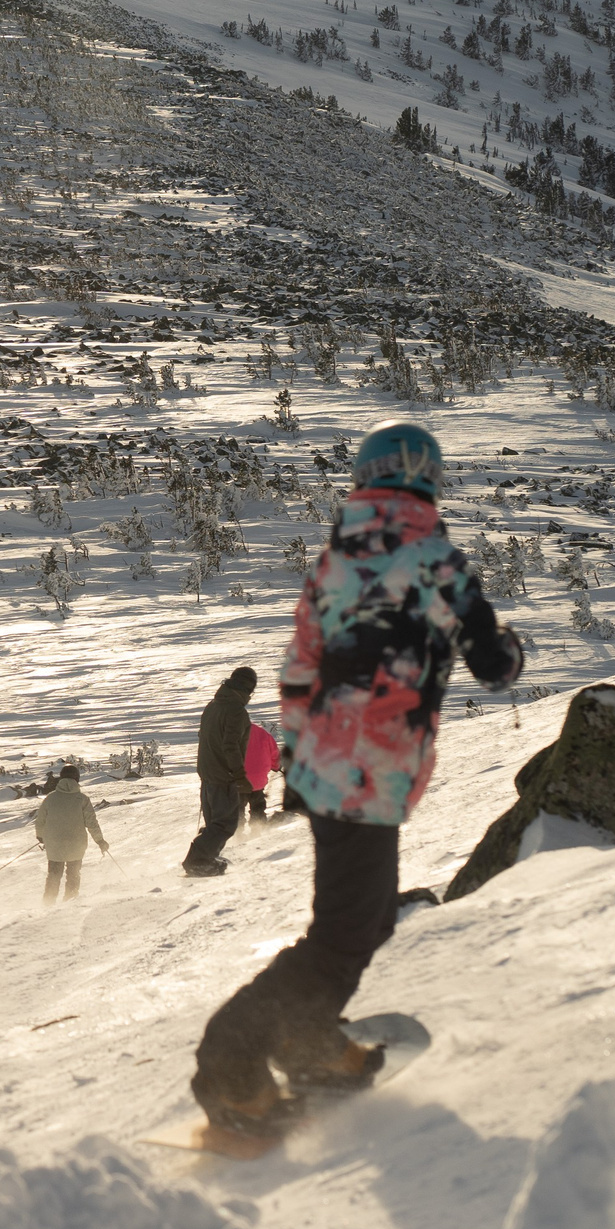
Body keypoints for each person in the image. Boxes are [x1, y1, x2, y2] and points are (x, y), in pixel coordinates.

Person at [190, 420, 525, 1148]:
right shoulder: (434, 557)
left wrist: (300, 761)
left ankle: (308, 1043)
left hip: (322, 767)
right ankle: (233, 1064)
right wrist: (507, 648)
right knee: (346, 930)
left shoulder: (336, 560)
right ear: (426, 479)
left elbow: (298, 666)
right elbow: (495, 663)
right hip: (370, 771)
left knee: (364, 920)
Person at [181, 668, 259, 876]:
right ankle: (198, 861)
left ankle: (204, 856)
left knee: (215, 821)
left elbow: (205, 739)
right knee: (224, 824)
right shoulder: (235, 711)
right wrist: (240, 776)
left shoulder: (213, 706)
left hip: (208, 773)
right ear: (248, 688)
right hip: (223, 775)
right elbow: (230, 746)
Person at [32, 764, 108, 903]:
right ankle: (69, 904)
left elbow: (40, 820)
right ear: (77, 779)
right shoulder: (82, 799)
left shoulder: (50, 798)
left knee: (54, 876)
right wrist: (100, 841)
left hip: (54, 844)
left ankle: (48, 904)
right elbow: (92, 823)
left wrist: (41, 836)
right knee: (73, 875)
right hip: (76, 844)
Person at [243, 720, 280, 822]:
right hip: (259, 780)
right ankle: (258, 830)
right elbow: (274, 753)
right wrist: (275, 766)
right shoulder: (263, 733)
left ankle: (238, 832)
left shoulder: (233, 733)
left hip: (239, 780)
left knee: (237, 808)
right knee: (258, 805)